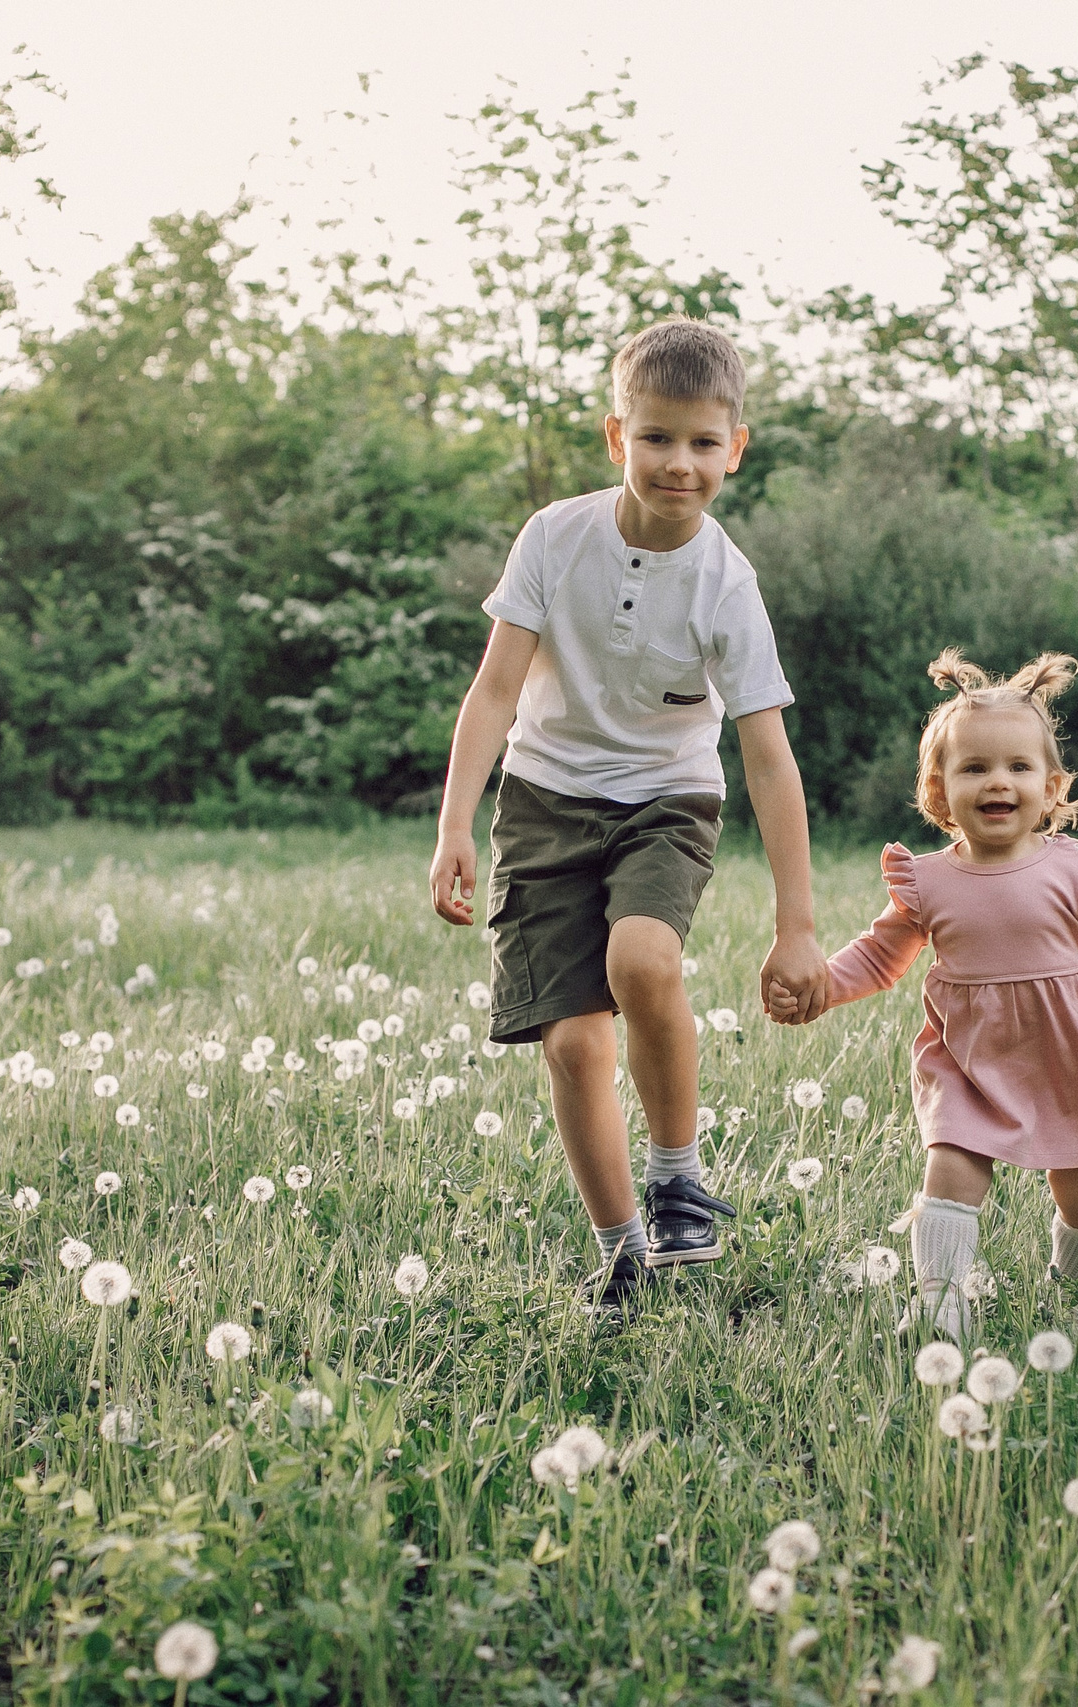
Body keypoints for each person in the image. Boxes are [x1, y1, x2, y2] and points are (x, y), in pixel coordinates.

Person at [429, 319, 829, 1319]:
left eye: (702, 442)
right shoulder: (555, 537)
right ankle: (620, 1258)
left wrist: (796, 925)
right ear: (617, 436)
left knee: (642, 961)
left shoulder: (726, 585)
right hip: (543, 801)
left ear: (736, 450)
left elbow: (769, 757)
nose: (678, 462)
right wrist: (455, 826)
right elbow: (493, 691)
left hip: (666, 800)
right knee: (571, 1046)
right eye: (656, 437)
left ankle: (677, 1177)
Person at [770, 649, 1078, 1340]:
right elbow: (879, 956)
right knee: (950, 1171)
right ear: (940, 791)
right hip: (967, 1059)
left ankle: (1075, 1289)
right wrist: (821, 986)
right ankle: (940, 1304)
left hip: (1066, 1056)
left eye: (1018, 767)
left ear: (1050, 789)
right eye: (974, 768)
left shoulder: (1075, 872)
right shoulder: (928, 882)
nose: (998, 780)